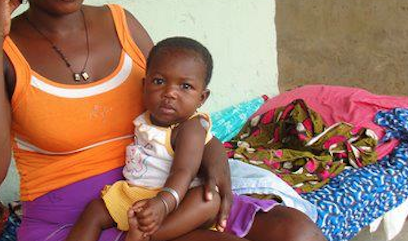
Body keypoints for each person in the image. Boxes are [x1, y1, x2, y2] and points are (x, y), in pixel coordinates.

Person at [0, 0, 327, 241]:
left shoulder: (120, 23)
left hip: (156, 191)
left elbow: (182, 103)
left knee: (295, 231)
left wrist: (215, 160)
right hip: (76, 218)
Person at [66, 37, 280, 241]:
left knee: (207, 200)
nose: (169, 93)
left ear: (201, 98)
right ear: (144, 85)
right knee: (94, 211)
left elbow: (184, 171)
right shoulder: (147, 118)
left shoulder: (190, 128)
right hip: (138, 194)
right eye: (159, 81)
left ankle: (148, 235)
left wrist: (163, 204)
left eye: (185, 86)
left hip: (178, 199)